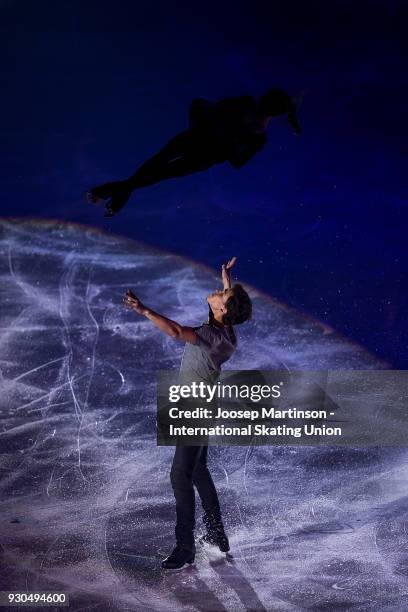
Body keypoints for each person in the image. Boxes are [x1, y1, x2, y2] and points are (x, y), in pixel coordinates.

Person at [123, 256, 252, 570]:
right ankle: (217, 536)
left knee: (180, 475)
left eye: (223, 295)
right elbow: (226, 306)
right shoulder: (227, 332)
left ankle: (185, 547)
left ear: (222, 310)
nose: (219, 292)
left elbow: (176, 331)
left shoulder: (210, 336)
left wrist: (144, 310)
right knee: (197, 471)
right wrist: (226, 279)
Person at [87, 88, 302, 217]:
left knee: (158, 168)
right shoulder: (257, 132)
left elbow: (215, 112)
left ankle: (111, 194)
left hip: (202, 147)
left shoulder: (254, 126)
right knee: (157, 169)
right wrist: (227, 143)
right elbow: (237, 160)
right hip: (203, 148)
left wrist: (223, 138)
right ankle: (112, 196)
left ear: (266, 100)